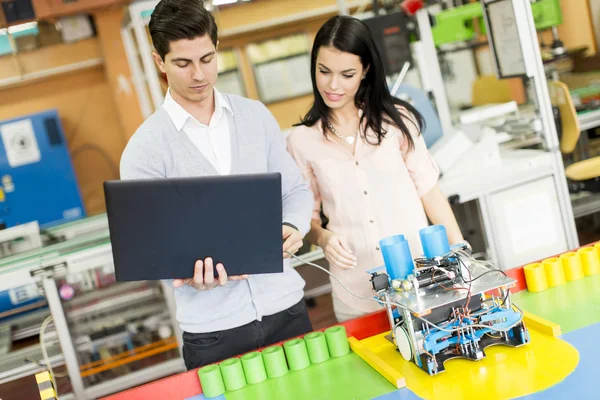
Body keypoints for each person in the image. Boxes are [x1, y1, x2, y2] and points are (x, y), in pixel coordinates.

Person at [120, 0, 314, 370]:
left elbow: (295, 191)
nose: (199, 75)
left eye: (207, 59)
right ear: (159, 61)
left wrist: (292, 226)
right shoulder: (144, 150)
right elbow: (147, 246)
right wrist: (189, 275)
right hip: (214, 333)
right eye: (183, 63)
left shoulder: (255, 117)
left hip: (286, 310)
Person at [286, 15, 464, 322]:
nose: (332, 85)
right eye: (323, 71)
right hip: (355, 292)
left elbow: (430, 193)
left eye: (347, 74)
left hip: (421, 281)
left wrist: (461, 253)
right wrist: (324, 238)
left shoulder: (398, 122)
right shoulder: (302, 141)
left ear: (366, 70)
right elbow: (308, 218)